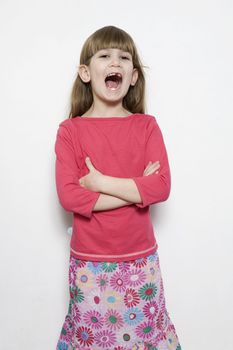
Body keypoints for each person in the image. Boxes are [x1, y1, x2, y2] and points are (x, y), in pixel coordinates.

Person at [54, 25, 182, 350]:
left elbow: (162, 187)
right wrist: (137, 189)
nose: (116, 62)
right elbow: (69, 195)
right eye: (105, 55)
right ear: (86, 72)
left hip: (140, 262)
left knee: (145, 340)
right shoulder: (70, 131)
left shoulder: (146, 126)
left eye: (124, 57)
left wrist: (99, 184)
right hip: (89, 263)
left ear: (133, 76)